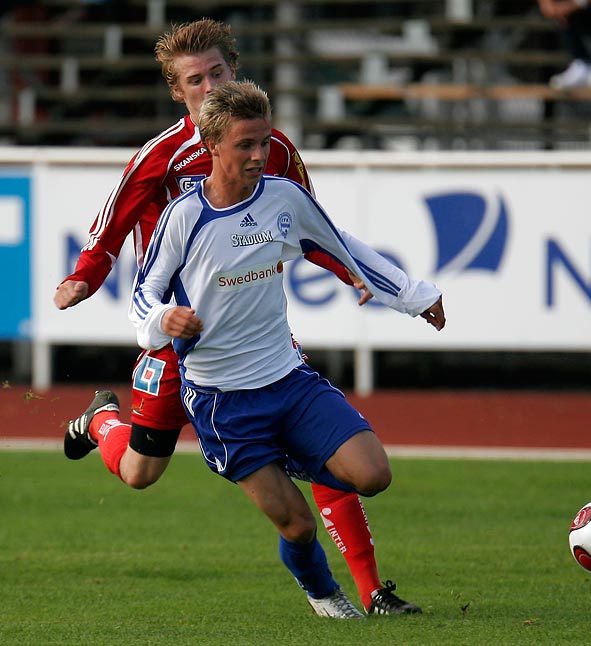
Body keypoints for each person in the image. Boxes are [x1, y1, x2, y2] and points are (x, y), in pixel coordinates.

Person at [55, 18, 420, 616]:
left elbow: (311, 226)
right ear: (178, 91)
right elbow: (112, 224)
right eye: (194, 80)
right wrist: (84, 277)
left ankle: (370, 591)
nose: (208, 87)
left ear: (235, 69)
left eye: (217, 73)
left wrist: (353, 273)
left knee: (333, 451)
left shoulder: (270, 148)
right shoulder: (160, 157)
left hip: (256, 337)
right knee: (143, 472)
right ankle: (101, 421)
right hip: (179, 339)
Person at [129, 79, 445, 618]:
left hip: (288, 380)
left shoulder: (284, 197)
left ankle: (291, 458)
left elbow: (342, 246)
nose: (259, 155)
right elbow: (142, 296)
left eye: (264, 142)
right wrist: (163, 319)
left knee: (374, 476)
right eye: (244, 145)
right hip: (223, 401)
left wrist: (414, 297)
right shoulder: (184, 216)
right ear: (211, 146)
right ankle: (324, 594)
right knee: (297, 525)